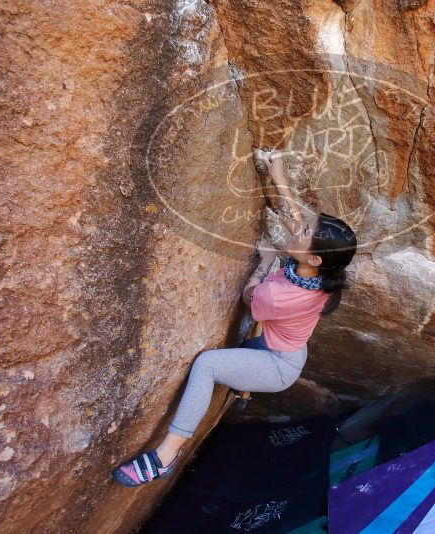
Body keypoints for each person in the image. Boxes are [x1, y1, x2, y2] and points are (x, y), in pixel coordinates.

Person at [112, 151, 358, 487]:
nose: (297, 231)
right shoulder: (319, 273)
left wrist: (266, 264)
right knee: (245, 345)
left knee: (208, 365)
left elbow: (249, 297)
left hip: (278, 366)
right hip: (283, 347)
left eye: (304, 234)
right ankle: (243, 388)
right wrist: (279, 177)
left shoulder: (281, 295)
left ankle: (164, 457)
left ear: (314, 257)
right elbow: (297, 222)